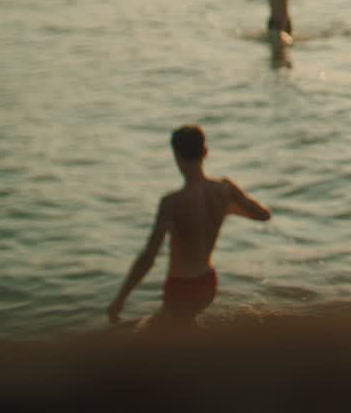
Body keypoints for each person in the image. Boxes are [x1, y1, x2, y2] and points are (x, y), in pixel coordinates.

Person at [107, 125, 271, 326]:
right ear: (205, 152)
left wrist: (120, 299)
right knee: (183, 330)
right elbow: (263, 215)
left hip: (181, 288)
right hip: (208, 282)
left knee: (152, 336)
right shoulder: (225, 189)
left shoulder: (172, 202)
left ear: (176, 156)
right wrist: (227, 208)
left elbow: (149, 256)